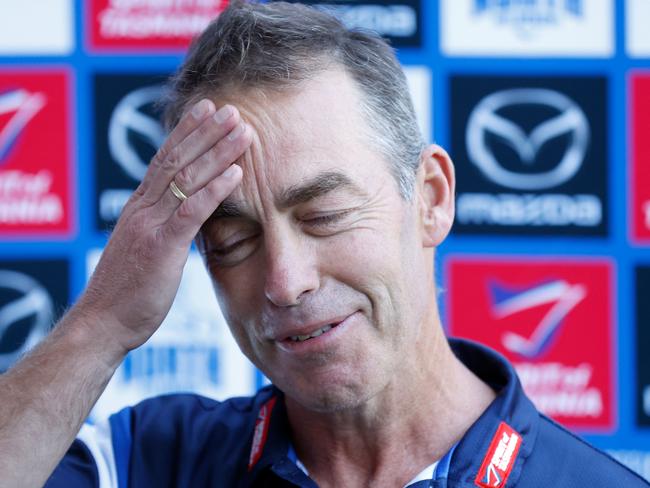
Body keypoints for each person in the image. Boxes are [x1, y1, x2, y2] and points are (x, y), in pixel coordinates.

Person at [0, 2, 647, 487]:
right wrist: (105, 321)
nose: (285, 280)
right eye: (233, 238)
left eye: (325, 214)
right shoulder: (151, 460)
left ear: (430, 199)